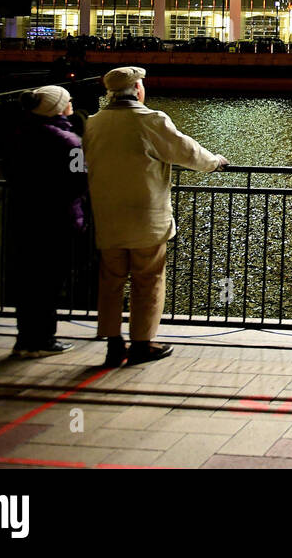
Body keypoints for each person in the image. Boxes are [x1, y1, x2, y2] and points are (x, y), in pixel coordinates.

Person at [82, 66, 228, 368]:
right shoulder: (150, 120)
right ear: (138, 90)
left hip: (107, 215)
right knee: (147, 280)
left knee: (110, 281)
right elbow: (187, 152)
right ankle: (141, 343)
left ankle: (112, 342)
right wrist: (215, 163)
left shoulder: (94, 123)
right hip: (145, 217)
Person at [3, 85, 87, 358]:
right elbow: (81, 181)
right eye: (68, 100)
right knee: (50, 282)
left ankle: (25, 339)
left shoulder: (18, 133)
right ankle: (43, 340)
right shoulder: (68, 141)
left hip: (24, 216)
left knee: (28, 281)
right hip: (56, 221)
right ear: (59, 107)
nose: (72, 102)